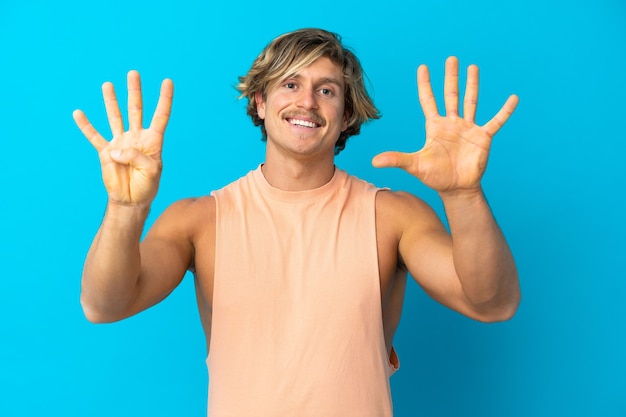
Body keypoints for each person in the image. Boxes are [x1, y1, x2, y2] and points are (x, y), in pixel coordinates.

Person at [73, 28, 521, 416]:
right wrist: (125, 210)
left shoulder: (392, 216)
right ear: (260, 101)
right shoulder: (198, 220)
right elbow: (106, 305)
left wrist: (463, 196)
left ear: (346, 116)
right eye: (290, 84)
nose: (307, 101)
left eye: (326, 90)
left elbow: (492, 303)